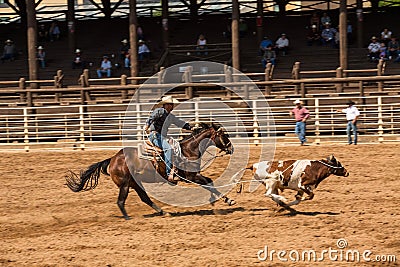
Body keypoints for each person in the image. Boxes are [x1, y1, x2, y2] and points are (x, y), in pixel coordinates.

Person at [144, 96, 192, 182]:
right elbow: (152, 116)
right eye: (170, 104)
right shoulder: (160, 111)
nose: (172, 106)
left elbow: (179, 122)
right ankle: (168, 173)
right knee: (168, 148)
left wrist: (189, 127)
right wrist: (147, 124)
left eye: (172, 104)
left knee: (177, 146)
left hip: (161, 136)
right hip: (155, 135)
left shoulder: (170, 116)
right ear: (166, 105)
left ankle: (176, 169)